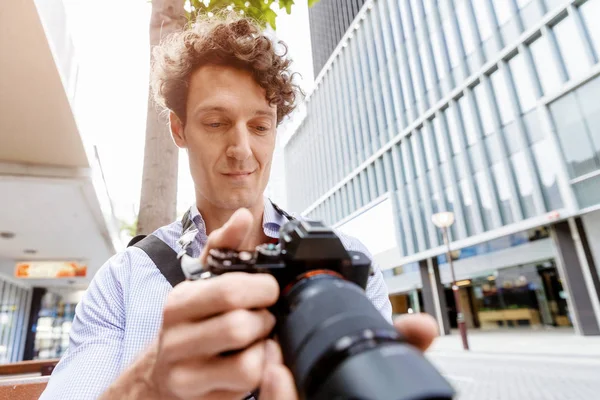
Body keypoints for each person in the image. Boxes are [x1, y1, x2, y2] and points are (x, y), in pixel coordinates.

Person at [40, 15, 439, 400]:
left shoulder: (345, 261)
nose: (242, 150)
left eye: (261, 126)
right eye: (216, 123)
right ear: (179, 130)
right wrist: (150, 387)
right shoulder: (122, 281)